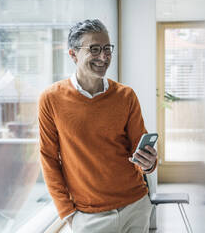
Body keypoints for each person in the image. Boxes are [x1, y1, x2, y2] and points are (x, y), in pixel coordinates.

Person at [38, 19, 158, 233]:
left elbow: (138, 152)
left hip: (135, 206)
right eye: (94, 49)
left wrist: (149, 163)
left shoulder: (126, 95)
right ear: (73, 54)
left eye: (107, 49)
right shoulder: (51, 99)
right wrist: (67, 213)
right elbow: (48, 158)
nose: (104, 57)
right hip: (89, 217)